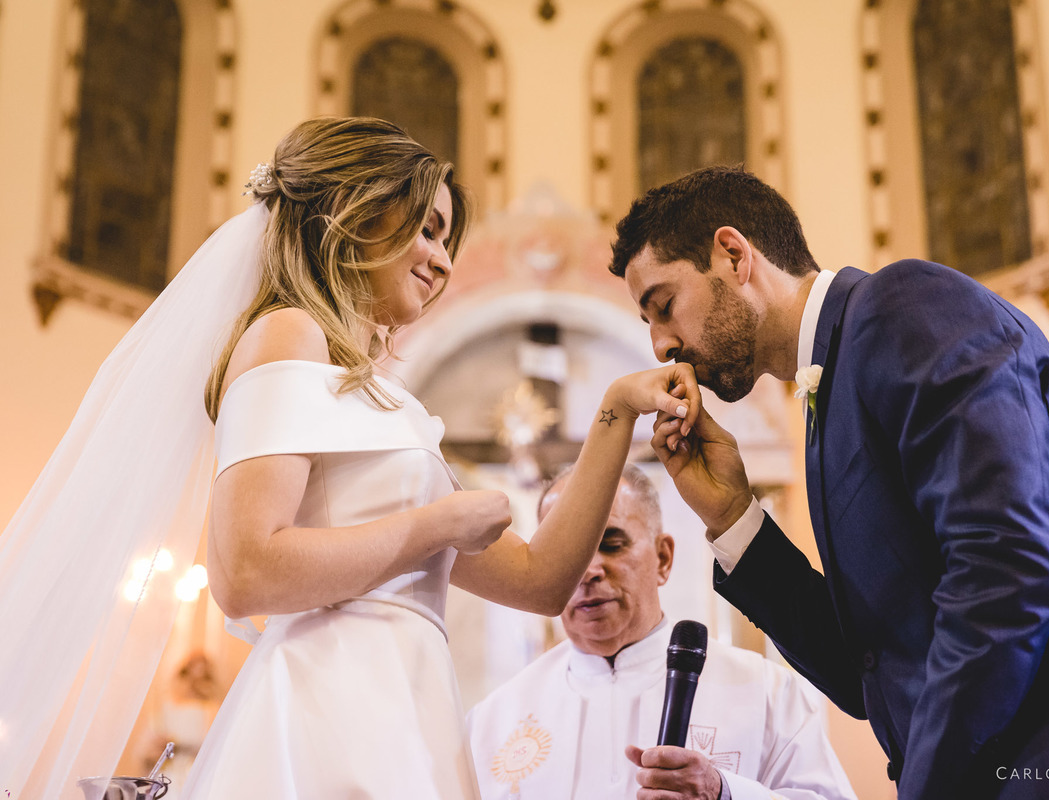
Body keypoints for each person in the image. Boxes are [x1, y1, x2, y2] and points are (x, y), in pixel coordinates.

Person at [0, 117, 702, 800]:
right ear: (354, 214)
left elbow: (542, 582)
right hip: (325, 712)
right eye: (426, 227)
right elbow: (243, 573)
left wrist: (615, 413)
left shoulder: (382, 399)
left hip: (406, 711)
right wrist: (439, 523)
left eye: (448, 237)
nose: (445, 260)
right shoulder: (288, 335)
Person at [607, 166, 1049, 799]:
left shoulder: (903, 306)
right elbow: (871, 670)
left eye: (664, 307)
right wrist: (732, 518)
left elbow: (1008, 568)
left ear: (733, 254)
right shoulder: (829, 392)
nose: (661, 344)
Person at [467, 463, 857, 800]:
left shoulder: (766, 691)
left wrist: (723, 793)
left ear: (663, 557)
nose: (587, 571)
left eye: (612, 545)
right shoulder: (493, 721)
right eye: (567, 554)